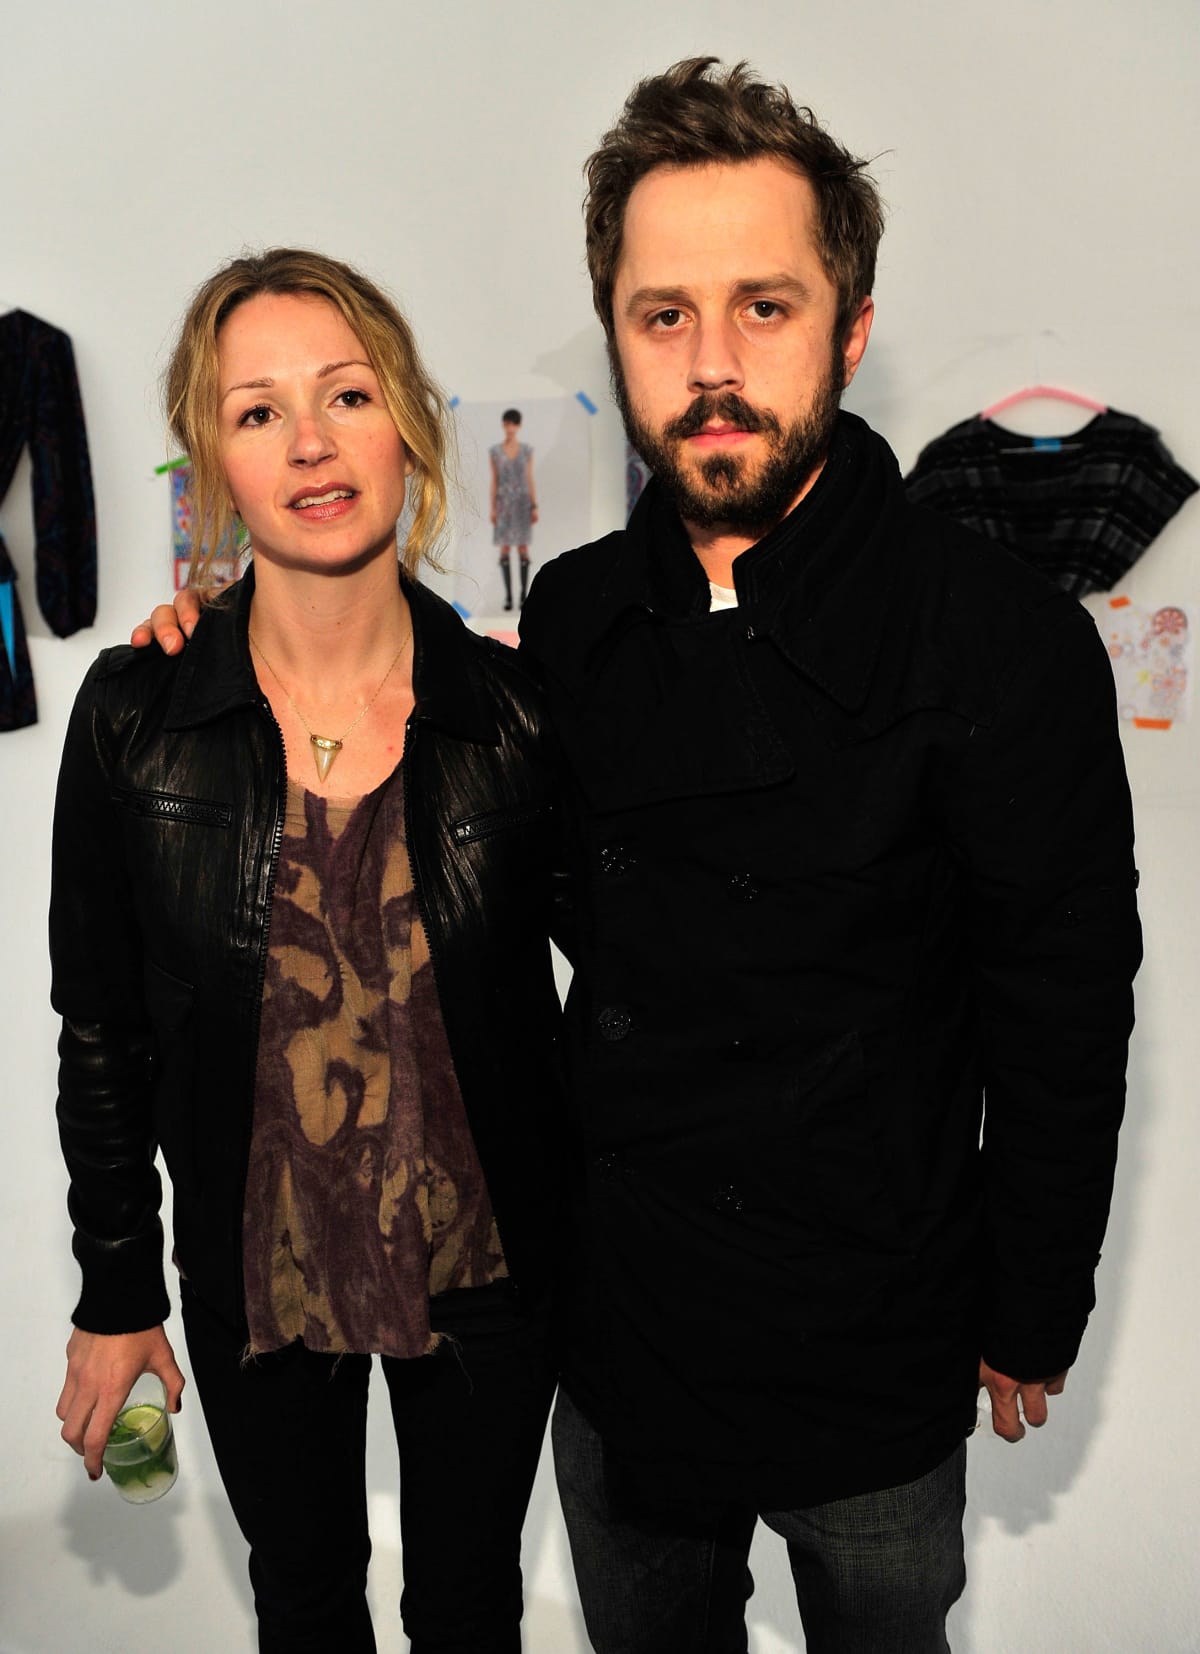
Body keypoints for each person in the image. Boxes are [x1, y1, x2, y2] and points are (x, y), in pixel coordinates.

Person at [138, 59, 1143, 1654]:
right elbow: (436, 810)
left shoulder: (1000, 636)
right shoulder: (585, 619)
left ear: (852, 326)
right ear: (614, 330)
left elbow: (1068, 1006)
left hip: (876, 1341)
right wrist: (213, 651)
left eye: (766, 306)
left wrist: (1036, 1299)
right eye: (665, 315)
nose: (715, 364)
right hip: (629, 1351)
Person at [52, 248, 564, 1654]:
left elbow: (654, 980)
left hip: (489, 1275)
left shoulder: (518, 713)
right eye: (257, 408)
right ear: (213, 455)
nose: (312, 441)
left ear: (408, 420)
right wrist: (116, 1291)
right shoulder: (134, 715)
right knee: (304, 1605)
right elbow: (98, 1026)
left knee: (469, 1607)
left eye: (347, 393)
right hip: (251, 1269)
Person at [490, 407, 538, 610]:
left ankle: (524, 595)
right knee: (504, 548)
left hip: (521, 503)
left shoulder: (526, 451)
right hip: (503, 503)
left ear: (518, 426)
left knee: (523, 547)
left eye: (513, 424)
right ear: (504, 425)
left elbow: (529, 478)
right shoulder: (495, 452)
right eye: (507, 423)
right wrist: (493, 507)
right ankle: (509, 596)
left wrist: (534, 505)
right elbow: (494, 479)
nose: (510, 428)